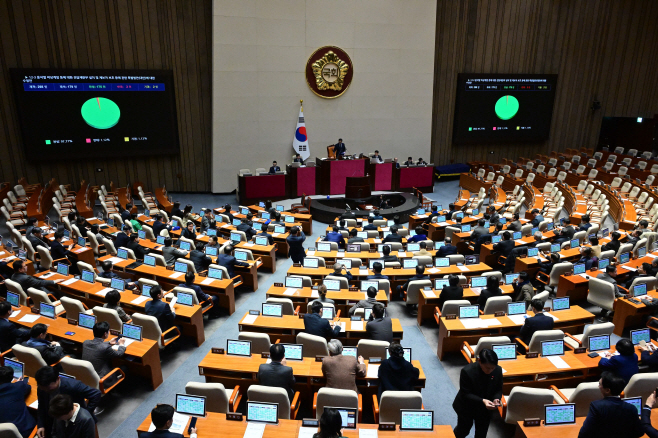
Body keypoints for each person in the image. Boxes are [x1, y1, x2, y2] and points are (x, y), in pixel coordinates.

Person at [35, 366, 101, 438]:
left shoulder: (73, 386)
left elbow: (96, 394)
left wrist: (87, 412)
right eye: (43, 388)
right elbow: (41, 406)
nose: (46, 390)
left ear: (58, 379)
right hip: (58, 422)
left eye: (49, 389)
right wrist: (40, 425)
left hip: (78, 422)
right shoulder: (42, 388)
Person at [452, 349, 503, 438]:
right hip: (466, 406)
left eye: (493, 368)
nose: (490, 370)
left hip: (485, 409)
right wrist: (482, 401)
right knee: (463, 431)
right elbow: (465, 393)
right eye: (488, 368)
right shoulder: (467, 371)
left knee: (481, 434)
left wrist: (496, 399)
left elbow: (498, 389)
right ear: (479, 361)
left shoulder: (498, 370)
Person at [578, 371, 643, 438]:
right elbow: (639, 432)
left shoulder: (596, 406)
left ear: (607, 390)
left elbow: (583, 434)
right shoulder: (631, 408)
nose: (599, 386)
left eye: (600, 384)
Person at [0, 365, 36, 438]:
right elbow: (28, 387)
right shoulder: (18, 387)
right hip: (25, 430)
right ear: (12, 378)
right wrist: (19, 383)